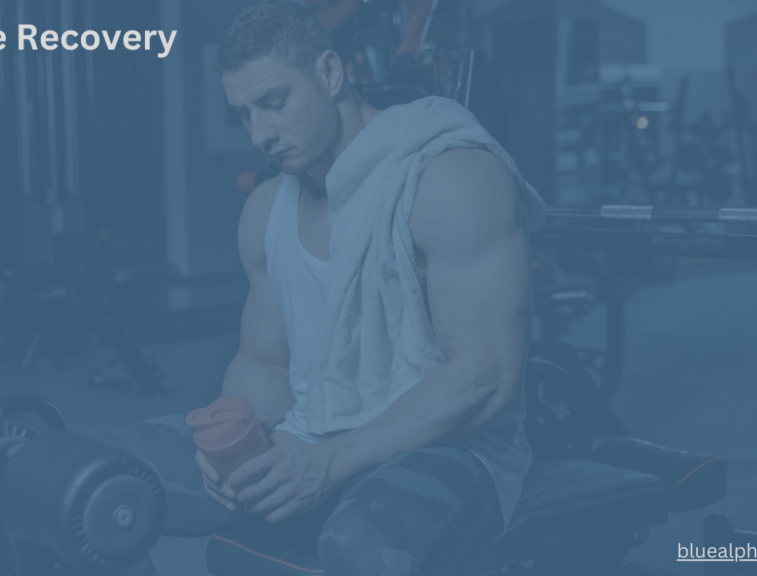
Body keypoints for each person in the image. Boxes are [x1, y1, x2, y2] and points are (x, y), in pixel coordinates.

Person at [105, 1, 548, 574]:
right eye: (244, 114)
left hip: (449, 447)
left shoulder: (448, 177)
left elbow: (486, 377)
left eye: (275, 102)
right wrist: (231, 438)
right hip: (311, 433)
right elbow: (263, 360)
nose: (261, 133)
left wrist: (330, 463)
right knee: (95, 476)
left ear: (330, 73)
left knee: (360, 546)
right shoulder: (266, 210)